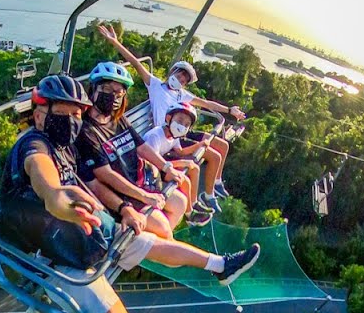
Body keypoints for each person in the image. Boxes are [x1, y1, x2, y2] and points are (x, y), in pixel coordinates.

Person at [0, 74, 261, 313]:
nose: (72, 120)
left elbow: (86, 182)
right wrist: (57, 197)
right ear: (39, 114)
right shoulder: (34, 145)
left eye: (76, 113)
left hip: (84, 233)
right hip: (54, 252)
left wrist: (116, 211)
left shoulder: (65, 146)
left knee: (151, 243)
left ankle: (220, 265)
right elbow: (43, 177)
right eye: (63, 112)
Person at [97, 24, 246, 213]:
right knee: (212, 154)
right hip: (165, 134)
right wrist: (115, 42)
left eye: (183, 81)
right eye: (179, 76)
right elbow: (135, 63)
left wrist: (229, 110)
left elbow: (207, 104)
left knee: (223, 145)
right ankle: (206, 196)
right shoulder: (155, 85)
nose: (180, 81)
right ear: (172, 72)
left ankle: (215, 184)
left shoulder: (182, 95)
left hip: (178, 132)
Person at [76, 62, 190, 238]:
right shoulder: (87, 131)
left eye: (118, 92)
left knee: (180, 203)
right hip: (123, 193)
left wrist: (166, 167)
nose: (113, 96)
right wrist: (143, 196)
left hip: (140, 180)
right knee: (163, 229)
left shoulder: (118, 120)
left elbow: (142, 147)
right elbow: (105, 174)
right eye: (107, 89)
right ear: (94, 90)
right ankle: (154, 246)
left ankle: (152, 245)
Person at [144, 101, 213, 225]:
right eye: (180, 121)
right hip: (149, 168)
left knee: (194, 168)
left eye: (186, 124)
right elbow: (152, 161)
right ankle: (190, 214)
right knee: (184, 180)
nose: (182, 126)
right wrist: (181, 163)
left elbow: (180, 151)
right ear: (169, 118)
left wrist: (200, 145)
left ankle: (194, 202)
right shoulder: (155, 136)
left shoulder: (173, 135)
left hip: (160, 163)